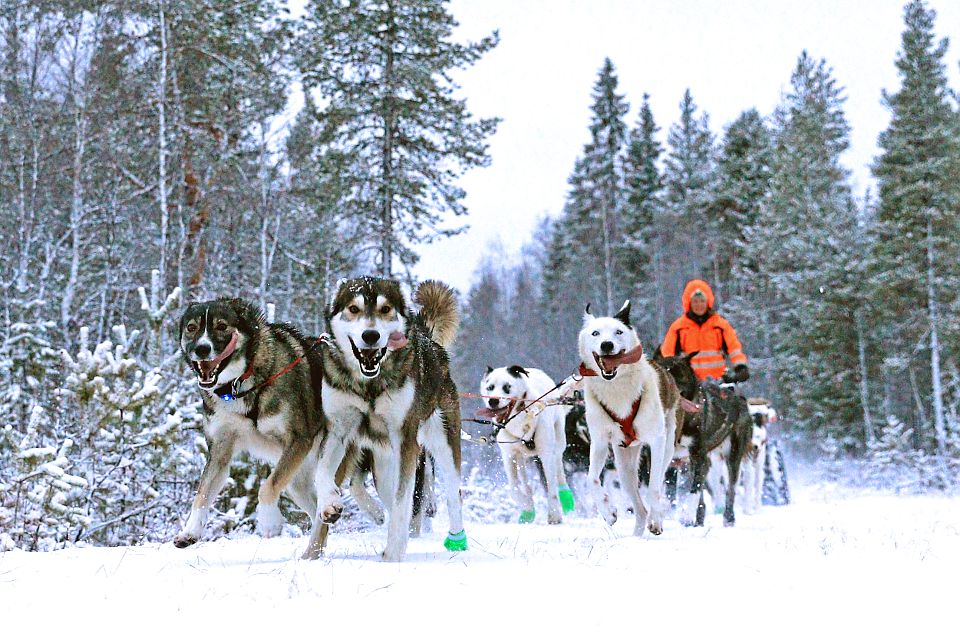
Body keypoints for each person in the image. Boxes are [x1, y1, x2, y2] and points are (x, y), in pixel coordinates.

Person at [660, 279, 749, 383]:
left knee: (737, 399)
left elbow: (734, 349)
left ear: (708, 302)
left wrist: (740, 367)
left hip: (719, 381)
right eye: (695, 301)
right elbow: (667, 354)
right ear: (689, 303)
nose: (699, 305)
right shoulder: (678, 328)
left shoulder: (720, 325)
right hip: (690, 383)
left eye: (702, 301)